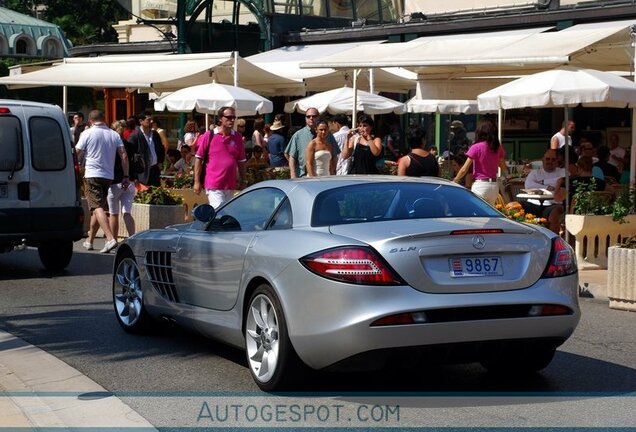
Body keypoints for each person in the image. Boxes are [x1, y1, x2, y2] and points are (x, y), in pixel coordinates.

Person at [75, 109, 130, 254]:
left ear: (90, 121)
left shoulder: (87, 133)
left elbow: (77, 153)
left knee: (96, 207)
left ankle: (110, 238)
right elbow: (123, 155)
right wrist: (126, 175)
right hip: (108, 176)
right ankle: (90, 240)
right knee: (97, 207)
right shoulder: (114, 134)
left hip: (92, 174)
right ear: (104, 119)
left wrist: (75, 166)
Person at [193, 106, 247, 209]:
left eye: (233, 117)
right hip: (214, 183)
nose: (231, 120)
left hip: (230, 184)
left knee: (226, 213)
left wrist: (243, 181)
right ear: (220, 119)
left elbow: (241, 161)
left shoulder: (237, 137)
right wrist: (197, 181)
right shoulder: (209, 135)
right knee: (218, 211)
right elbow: (199, 159)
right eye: (228, 117)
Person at [453, 119, 508, 206]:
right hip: (494, 186)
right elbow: (504, 167)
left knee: (478, 214)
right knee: (489, 215)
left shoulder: (476, 147)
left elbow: (464, 168)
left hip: (480, 185)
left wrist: (455, 180)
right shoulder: (498, 147)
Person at [285, 107, 338, 178]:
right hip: (303, 176)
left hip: (326, 176)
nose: (311, 118)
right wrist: (293, 174)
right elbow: (291, 156)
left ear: (319, 117)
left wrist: (334, 173)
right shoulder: (298, 135)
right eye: (308, 116)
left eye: (314, 116)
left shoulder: (329, 135)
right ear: (305, 118)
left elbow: (334, 156)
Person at [521, 149, 565, 234]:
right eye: (547, 159)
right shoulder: (535, 173)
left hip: (553, 204)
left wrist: (542, 182)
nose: (550, 161)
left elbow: (562, 181)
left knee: (555, 213)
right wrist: (548, 186)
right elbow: (528, 185)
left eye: (553, 159)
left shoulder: (562, 172)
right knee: (516, 207)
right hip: (533, 203)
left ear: (557, 160)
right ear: (543, 159)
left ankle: (553, 242)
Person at [108, 120, 137, 239]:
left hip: (115, 181)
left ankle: (113, 240)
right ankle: (132, 237)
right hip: (129, 181)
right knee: (127, 213)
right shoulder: (129, 144)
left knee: (113, 214)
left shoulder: (111, 146)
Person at [128, 112, 166, 187]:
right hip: (142, 173)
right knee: (143, 196)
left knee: (156, 195)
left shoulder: (155, 134)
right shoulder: (135, 136)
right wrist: (134, 176)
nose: (151, 121)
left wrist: (160, 162)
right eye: (148, 120)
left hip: (154, 170)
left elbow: (161, 148)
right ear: (141, 121)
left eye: (152, 120)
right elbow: (130, 156)